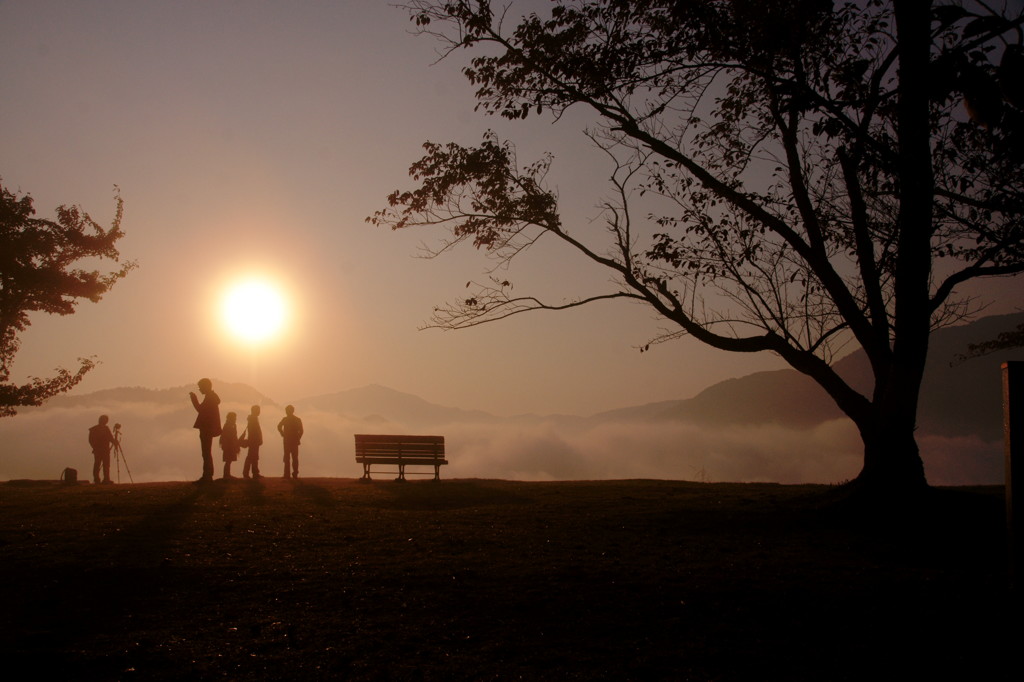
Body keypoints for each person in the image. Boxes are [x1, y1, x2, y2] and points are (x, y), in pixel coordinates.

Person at [190, 378, 221, 483]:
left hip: (206, 428)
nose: (199, 389)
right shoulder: (211, 397)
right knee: (206, 452)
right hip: (208, 428)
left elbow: (200, 410)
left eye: (200, 387)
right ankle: (208, 475)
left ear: (206, 387)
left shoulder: (209, 398)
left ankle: (207, 475)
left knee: (206, 452)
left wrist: (194, 400)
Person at [277, 405, 304, 479]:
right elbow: (301, 431)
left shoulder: (285, 419)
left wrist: (282, 434)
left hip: (287, 441)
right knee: (294, 458)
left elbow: (279, 426)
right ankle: (294, 474)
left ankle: (287, 474)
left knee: (287, 458)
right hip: (294, 441)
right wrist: (298, 438)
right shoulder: (297, 419)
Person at [87, 415, 115, 484]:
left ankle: (103, 479)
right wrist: (114, 442)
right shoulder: (97, 429)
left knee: (102, 464)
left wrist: (114, 441)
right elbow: (91, 440)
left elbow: (110, 438)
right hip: (101, 450)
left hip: (102, 450)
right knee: (100, 464)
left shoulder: (96, 429)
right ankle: (101, 479)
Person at [242, 404, 263, 480]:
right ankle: (248, 473)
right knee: (252, 457)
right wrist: (258, 439)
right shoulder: (253, 419)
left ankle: (254, 473)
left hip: (254, 441)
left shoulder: (252, 419)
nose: (259, 412)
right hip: (254, 441)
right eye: (258, 410)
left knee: (253, 457)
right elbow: (254, 431)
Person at [219, 412, 240, 479]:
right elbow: (226, 436)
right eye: (234, 417)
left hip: (230, 445)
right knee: (228, 460)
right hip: (228, 445)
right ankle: (226, 475)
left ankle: (227, 474)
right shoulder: (228, 425)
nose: (235, 419)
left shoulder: (231, 425)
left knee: (229, 460)